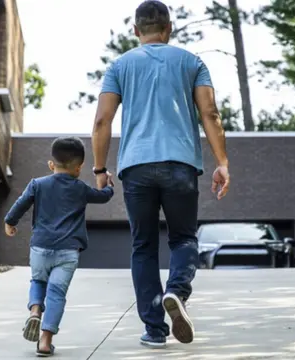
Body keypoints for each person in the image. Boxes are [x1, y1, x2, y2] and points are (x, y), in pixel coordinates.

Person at [90, 0, 230, 348]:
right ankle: (177, 292)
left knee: (143, 247)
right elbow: (210, 114)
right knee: (183, 239)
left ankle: (154, 330)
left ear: (136, 31)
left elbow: (101, 121)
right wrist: (222, 162)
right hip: (180, 165)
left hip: (136, 168)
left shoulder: (119, 66)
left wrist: (99, 169)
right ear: (169, 29)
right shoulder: (192, 62)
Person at [4, 137, 114, 357]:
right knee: (56, 293)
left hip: (40, 248)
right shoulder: (81, 188)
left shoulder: (38, 184)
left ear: (51, 164)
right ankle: (45, 341)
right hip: (68, 252)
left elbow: (21, 204)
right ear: (79, 167)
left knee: (38, 280)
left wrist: (10, 222)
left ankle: (35, 310)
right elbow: (103, 197)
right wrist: (108, 185)